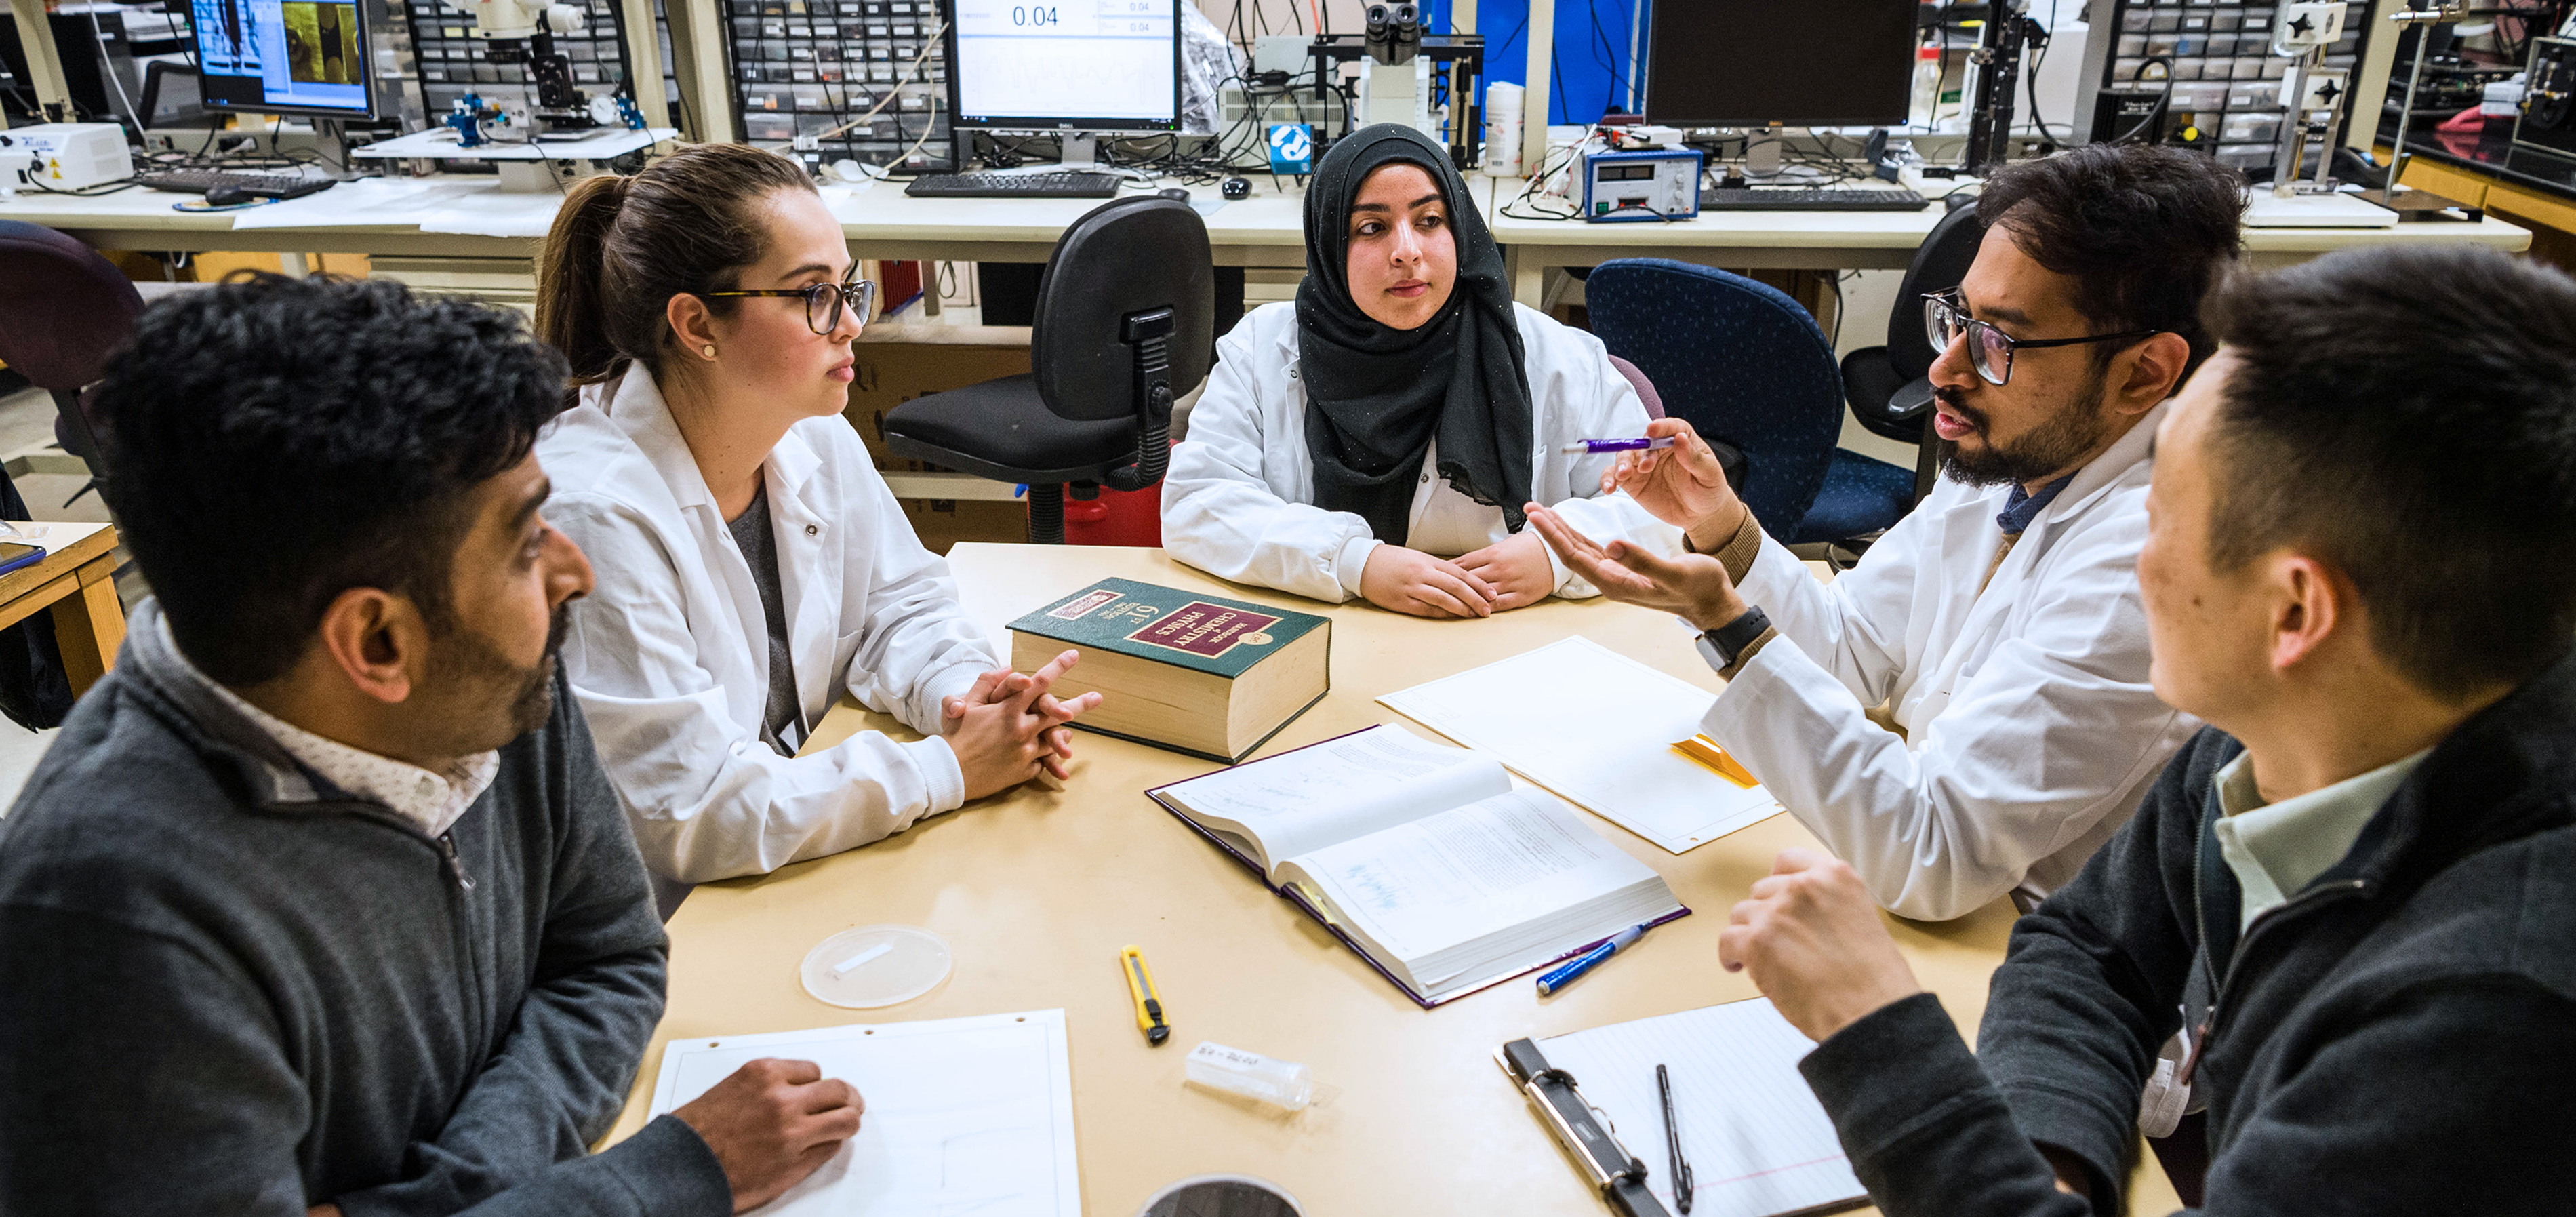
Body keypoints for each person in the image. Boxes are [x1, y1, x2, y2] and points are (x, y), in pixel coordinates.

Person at [1720, 244, 2576, 1215]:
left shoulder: (2489, 1018)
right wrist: (2048, 1164)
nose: (2135, 557)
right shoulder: (2283, 731)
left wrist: (1874, 1032)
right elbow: (2089, 946)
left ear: (2295, 613)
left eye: (2161, 516)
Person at [0, 275, 860, 1214]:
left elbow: (609, 958)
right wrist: (657, 1178)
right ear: (377, 643)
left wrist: (452, 1190)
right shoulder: (111, 927)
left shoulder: (485, 678)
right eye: (526, 543)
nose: (574, 571)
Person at [1530, 144, 2242, 919]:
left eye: (1998, 342)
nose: (1943, 370)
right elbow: (1848, 651)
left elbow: (1933, 857)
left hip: (2021, 938)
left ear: (2143, 373)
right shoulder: (2019, 459)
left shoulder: (2148, 568)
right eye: (1957, 320)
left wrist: (1729, 626)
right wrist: (1718, 523)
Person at [534, 143, 1100, 905]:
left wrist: (967, 697)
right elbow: (694, 808)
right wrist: (948, 768)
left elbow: (900, 606)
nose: (852, 324)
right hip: (676, 914)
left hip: (789, 855)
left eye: (847, 287)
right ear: (697, 324)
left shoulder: (809, 432)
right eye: (814, 295)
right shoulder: (592, 514)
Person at [1162, 123, 1672, 619]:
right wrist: (1354, 562)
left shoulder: (1556, 356)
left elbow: (1656, 503)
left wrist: (1556, 555)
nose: (1407, 251)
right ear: (1329, 245)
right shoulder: (1260, 351)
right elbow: (1197, 502)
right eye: (1372, 228)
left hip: (1513, 634)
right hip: (1325, 633)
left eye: (1429, 221)